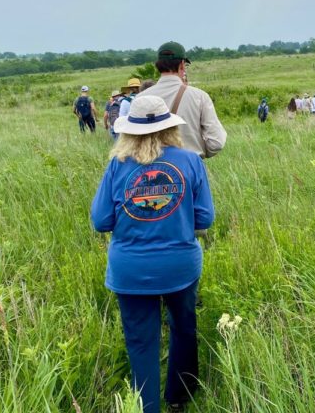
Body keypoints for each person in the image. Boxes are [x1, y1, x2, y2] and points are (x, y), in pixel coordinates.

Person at [92, 95, 214, 413]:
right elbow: (205, 218)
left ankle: (147, 407)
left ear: (129, 131)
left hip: (130, 270)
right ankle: (179, 397)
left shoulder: (117, 166)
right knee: (183, 327)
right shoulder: (189, 162)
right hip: (180, 266)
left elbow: (100, 220)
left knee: (141, 343)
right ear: (169, 128)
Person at [146, 42, 227, 159]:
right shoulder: (199, 97)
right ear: (182, 65)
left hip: (150, 168)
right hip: (190, 165)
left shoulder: (140, 98)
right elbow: (216, 143)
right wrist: (197, 156)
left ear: (157, 65)